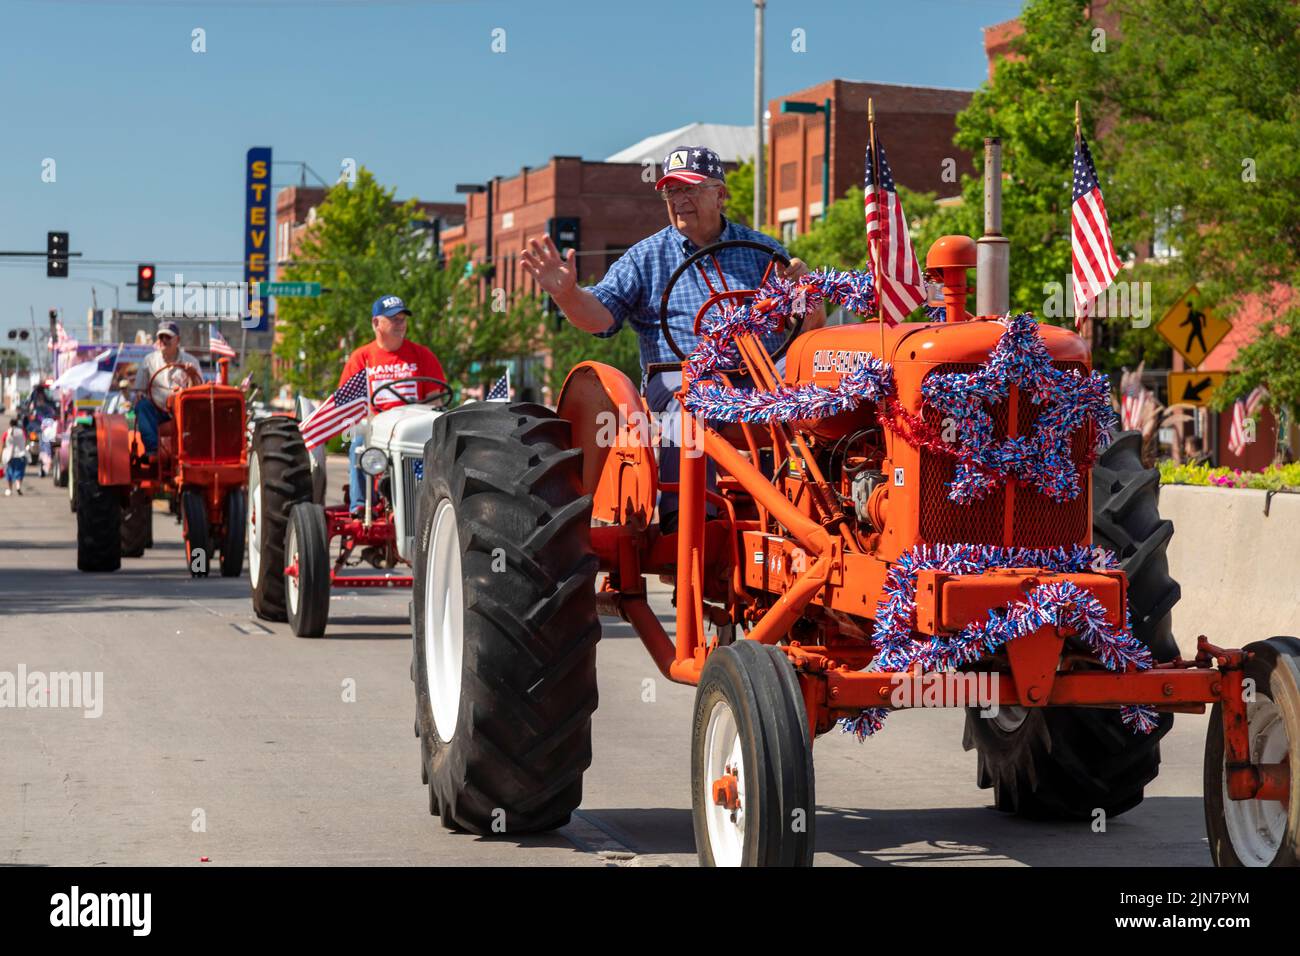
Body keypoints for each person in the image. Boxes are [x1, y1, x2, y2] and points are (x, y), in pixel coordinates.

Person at [520, 144, 825, 531]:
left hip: (762, 371)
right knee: (693, 402)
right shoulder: (645, 258)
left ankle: (825, 506)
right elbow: (599, 316)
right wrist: (567, 294)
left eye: (690, 189)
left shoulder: (763, 251)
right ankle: (685, 520)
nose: (679, 200)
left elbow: (807, 327)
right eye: (671, 191)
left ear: (720, 194)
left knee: (822, 384)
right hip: (682, 376)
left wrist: (808, 296)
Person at [339, 295, 446, 511]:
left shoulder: (422, 355)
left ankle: (433, 504)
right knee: (358, 443)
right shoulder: (362, 358)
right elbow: (347, 404)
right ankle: (361, 506)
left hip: (412, 426)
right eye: (393, 319)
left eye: (402, 319)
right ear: (376, 323)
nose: (400, 324)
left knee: (442, 445)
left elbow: (437, 399)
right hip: (375, 427)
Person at [133, 321, 202, 453]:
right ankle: (153, 451)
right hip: (157, 412)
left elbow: (199, 393)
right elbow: (139, 390)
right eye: (161, 337)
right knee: (142, 406)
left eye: (168, 337)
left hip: (184, 412)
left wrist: (192, 376)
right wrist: (139, 395)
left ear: (178, 340)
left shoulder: (191, 362)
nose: (164, 340)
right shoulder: (149, 361)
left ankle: (198, 453)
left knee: (202, 411)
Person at [3, 418, 27, 496]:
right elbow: (25, 441)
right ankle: (18, 486)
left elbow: (2, 444)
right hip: (21, 455)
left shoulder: (7, 432)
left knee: (9, 472)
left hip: (9, 456)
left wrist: (1, 456)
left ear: (10, 424)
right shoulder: (22, 432)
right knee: (19, 472)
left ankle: (9, 489)